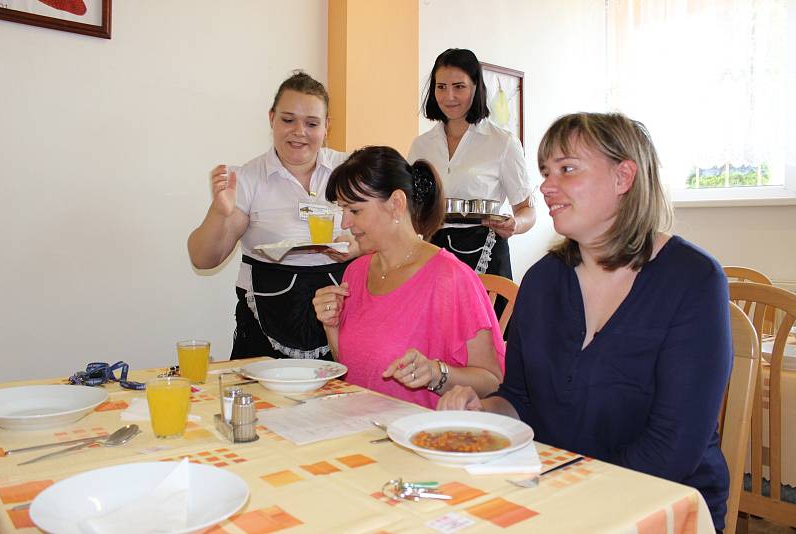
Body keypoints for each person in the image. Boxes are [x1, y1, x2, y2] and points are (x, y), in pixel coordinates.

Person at [438, 112, 732, 530]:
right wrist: (482, 410)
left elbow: (672, 450)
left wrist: (572, 497)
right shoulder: (542, 281)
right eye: (545, 172)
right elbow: (518, 400)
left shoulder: (693, 280)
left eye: (567, 169)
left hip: (654, 507)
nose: (546, 186)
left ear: (623, 177)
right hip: (554, 496)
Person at [312, 146, 506, 409]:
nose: (345, 223)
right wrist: (331, 325)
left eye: (355, 211)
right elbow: (354, 371)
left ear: (396, 204)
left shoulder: (451, 279)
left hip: (422, 437)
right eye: (342, 210)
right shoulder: (356, 272)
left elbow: (492, 381)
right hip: (361, 429)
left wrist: (437, 374)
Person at [188, 72, 354, 361]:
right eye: (288, 120)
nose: (299, 132)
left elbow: (390, 232)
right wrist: (219, 211)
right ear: (272, 118)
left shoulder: (349, 169)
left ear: (326, 126)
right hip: (265, 322)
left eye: (311, 123)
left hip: (342, 317)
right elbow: (203, 259)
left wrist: (359, 247)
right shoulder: (249, 177)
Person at [408, 48, 536, 280]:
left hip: (486, 256)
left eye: (459, 87)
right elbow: (410, 207)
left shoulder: (502, 142)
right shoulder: (421, 146)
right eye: (441, 87)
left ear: (476, 87)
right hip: (434, 254)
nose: (449, 97)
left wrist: (515, 224)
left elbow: (527, 210)